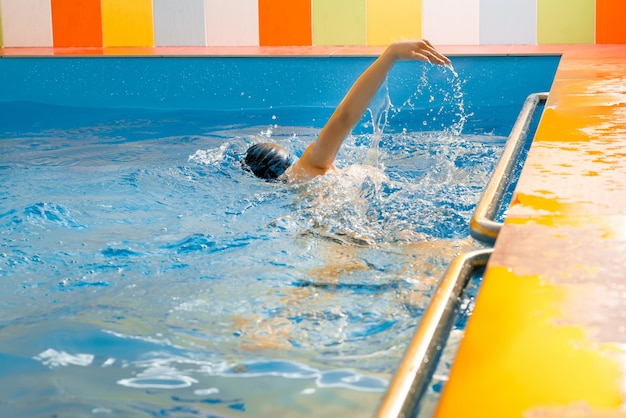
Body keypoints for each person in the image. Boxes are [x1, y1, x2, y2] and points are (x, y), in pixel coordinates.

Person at [243, 39, 450, 182]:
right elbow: (345, 117)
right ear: (288, 159)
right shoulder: (309, 166)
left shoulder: (298, 184)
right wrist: (391, 54)